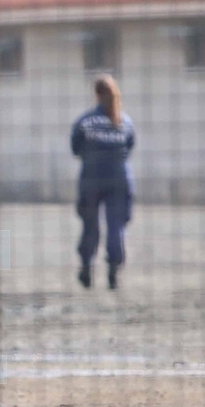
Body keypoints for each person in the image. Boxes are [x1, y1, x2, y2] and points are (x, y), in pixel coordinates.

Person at [71, 75, 135, 290]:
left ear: (96, 94)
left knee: (90, 224)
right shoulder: (125, 121)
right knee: (116, 225)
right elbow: (129, 147)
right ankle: (113, 271)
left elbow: (75, 148)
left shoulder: (85, 121)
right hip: (119, 178)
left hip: (91, 177)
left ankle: (86, 266)